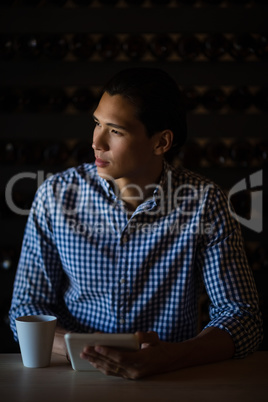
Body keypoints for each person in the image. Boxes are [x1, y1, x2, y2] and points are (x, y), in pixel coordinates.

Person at [9, 68, 263, 380]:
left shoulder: (204, 203)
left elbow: (243, 318)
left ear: (161, 142)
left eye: (115, 131)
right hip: (73, 380)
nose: (96, 142)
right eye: (97, 123)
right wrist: (88, 349)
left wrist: (170, 357)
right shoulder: (56, 196)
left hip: (171, 382)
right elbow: (25, 308)